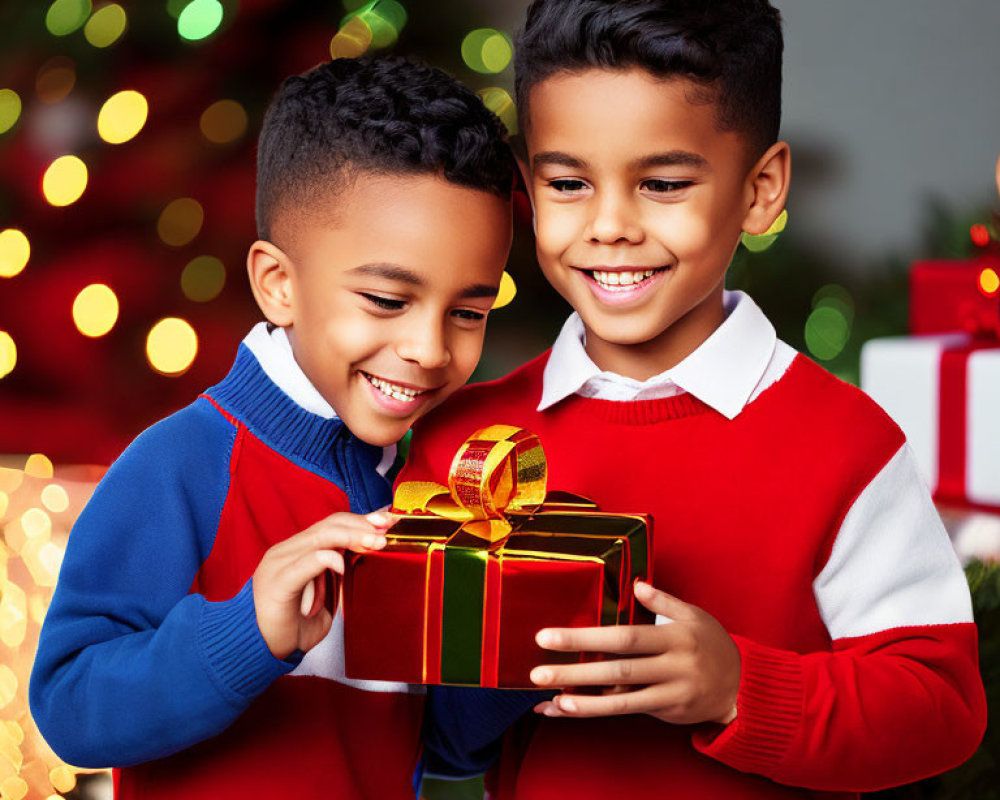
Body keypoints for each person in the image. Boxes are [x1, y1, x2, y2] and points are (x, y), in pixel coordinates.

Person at [399, 2, 987, 797]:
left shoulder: (847, 445)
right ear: (526, 185)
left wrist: (739, 687)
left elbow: (941, 709)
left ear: (761, 190)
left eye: (663, 183)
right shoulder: (464, 441)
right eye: (568, 182)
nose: (609, 226)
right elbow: (422, 737)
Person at [29, 55, 514, 800]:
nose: (429, 349)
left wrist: (525, 646)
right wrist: (247, 633)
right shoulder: (179, 466)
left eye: (469, 313)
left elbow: (440, 748)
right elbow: (70, 709)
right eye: (387, 300)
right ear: (278, 284)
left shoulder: (429, 488)